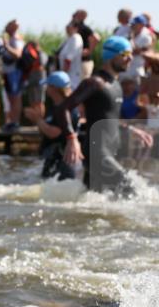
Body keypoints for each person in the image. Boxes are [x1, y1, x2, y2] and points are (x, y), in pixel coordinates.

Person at [55, 36, 153, 196]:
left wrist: (131, 129)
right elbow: (63, 108)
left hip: (108, 152)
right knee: (132, 191)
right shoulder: (94, 83)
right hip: (97, 154)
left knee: (91, 203)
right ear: (111, 55)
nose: (130, 58)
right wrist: (71, 138)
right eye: (125, 53)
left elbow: (109, 118)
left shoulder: (115, 85)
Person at [25, 72, 79, 181]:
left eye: (48, 85)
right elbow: (46, 130)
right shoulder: (54, 106)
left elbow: (54, 133)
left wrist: (37, 119)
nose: (46, 88)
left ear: (54, 88)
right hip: (52, 158)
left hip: (63, 161)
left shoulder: (69, 109)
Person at [71, 9, 100, 80]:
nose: (73, 16)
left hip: (85, 61)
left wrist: (89, 50)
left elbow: (96, 38)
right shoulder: (76, 27)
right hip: (78, 62)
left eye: (75, 15)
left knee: (84, 81)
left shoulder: (84, 28)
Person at [58, 21, 84, 90]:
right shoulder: (68, 39)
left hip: (72, 74)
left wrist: (62, 75)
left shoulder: (76, 38)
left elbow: (69, 59)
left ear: (76, 28)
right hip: (67, 74)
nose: (67, 28)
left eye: (69, 26)